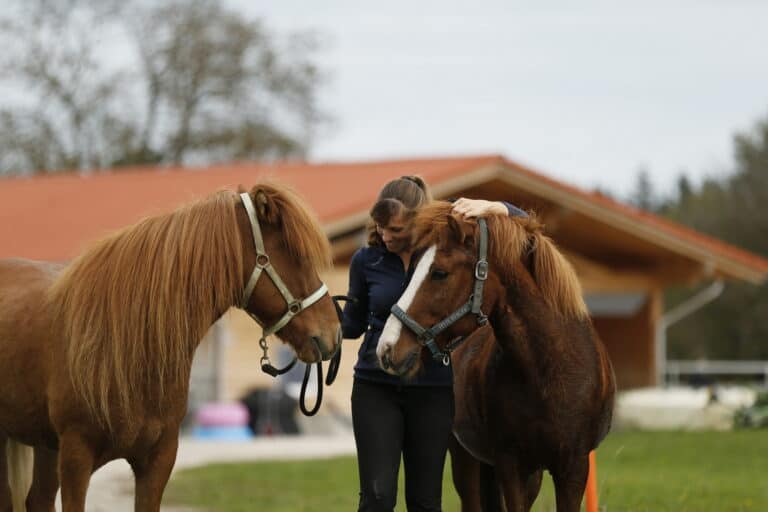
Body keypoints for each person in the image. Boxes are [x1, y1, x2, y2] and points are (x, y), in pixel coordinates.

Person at [341, 175, 527, 512]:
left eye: (395, 230)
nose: (386, 236)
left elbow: (525, 224)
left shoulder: (440, 254)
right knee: (377, 498)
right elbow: (352, 326)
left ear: (417, 221)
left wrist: (494, 206)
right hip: (375, 387)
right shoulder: (366, 260)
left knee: (426, 502)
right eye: (381, 226)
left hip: (432, 391)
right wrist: (319, 321)